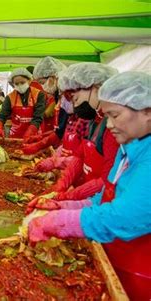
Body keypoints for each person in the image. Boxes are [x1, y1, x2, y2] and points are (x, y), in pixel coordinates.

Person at [28, 72, 151, 300]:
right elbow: (104, 197)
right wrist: (62, 206)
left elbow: (125, 217)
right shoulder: (128, 151)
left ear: (147, 111)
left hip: (143, 278)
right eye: (106, 116)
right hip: (115, 262)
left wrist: (62, 222)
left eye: (115, 115)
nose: (110, 125)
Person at [27, 63, 119, 208]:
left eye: (75, 98)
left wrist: (69, 196)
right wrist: (62, 184)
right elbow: (80, 156)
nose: (74, 105)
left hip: (102, 203)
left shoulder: (114, 127)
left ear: (96, 88)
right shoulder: (94, 119)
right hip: (90, 197)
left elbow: (107, 180)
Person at [0, 68, 46, 139]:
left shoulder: (39, 94)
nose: (20, 85)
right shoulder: (10, 97)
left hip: (34, 135)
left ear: (29, 80)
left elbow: (38, 117)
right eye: (16, 84)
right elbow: (2, 116)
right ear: (13, 84)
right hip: (15, 136)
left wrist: (30, 132)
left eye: (22, 82)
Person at [32, 56, 66, 135]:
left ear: (53, 77)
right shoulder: (58, 94)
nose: (42, 87)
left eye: (42, 83)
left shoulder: (67, 95)